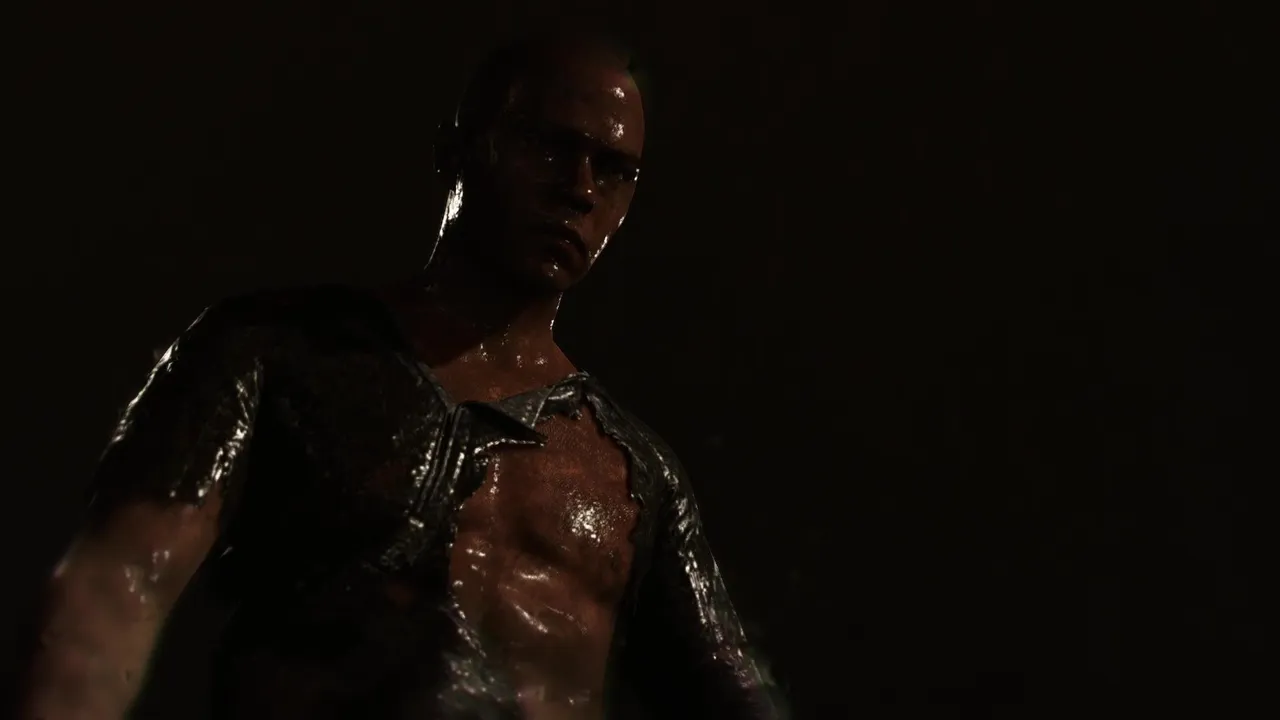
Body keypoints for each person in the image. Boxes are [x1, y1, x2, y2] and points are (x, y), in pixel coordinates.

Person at [17, 29, 786, 720]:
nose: (580, 189)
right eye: (549, 146)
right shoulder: (276, 353)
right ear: (458, 150)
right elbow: (116, 589)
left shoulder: (637, 477)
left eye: (614, 170)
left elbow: (732, 691)